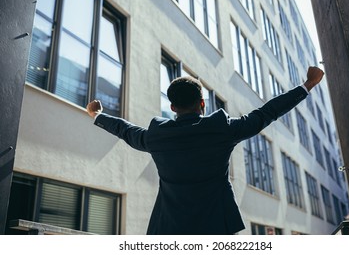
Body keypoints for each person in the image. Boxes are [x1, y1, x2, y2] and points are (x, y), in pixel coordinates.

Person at [86, 66, 324, 235]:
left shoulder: (157, 136)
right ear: (202, 103)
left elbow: (126, 130)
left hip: (170, 231)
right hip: (217, 228)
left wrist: (97, 115)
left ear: (172, 107)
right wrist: (306, 85)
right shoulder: (222, 129)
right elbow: (265, 114)